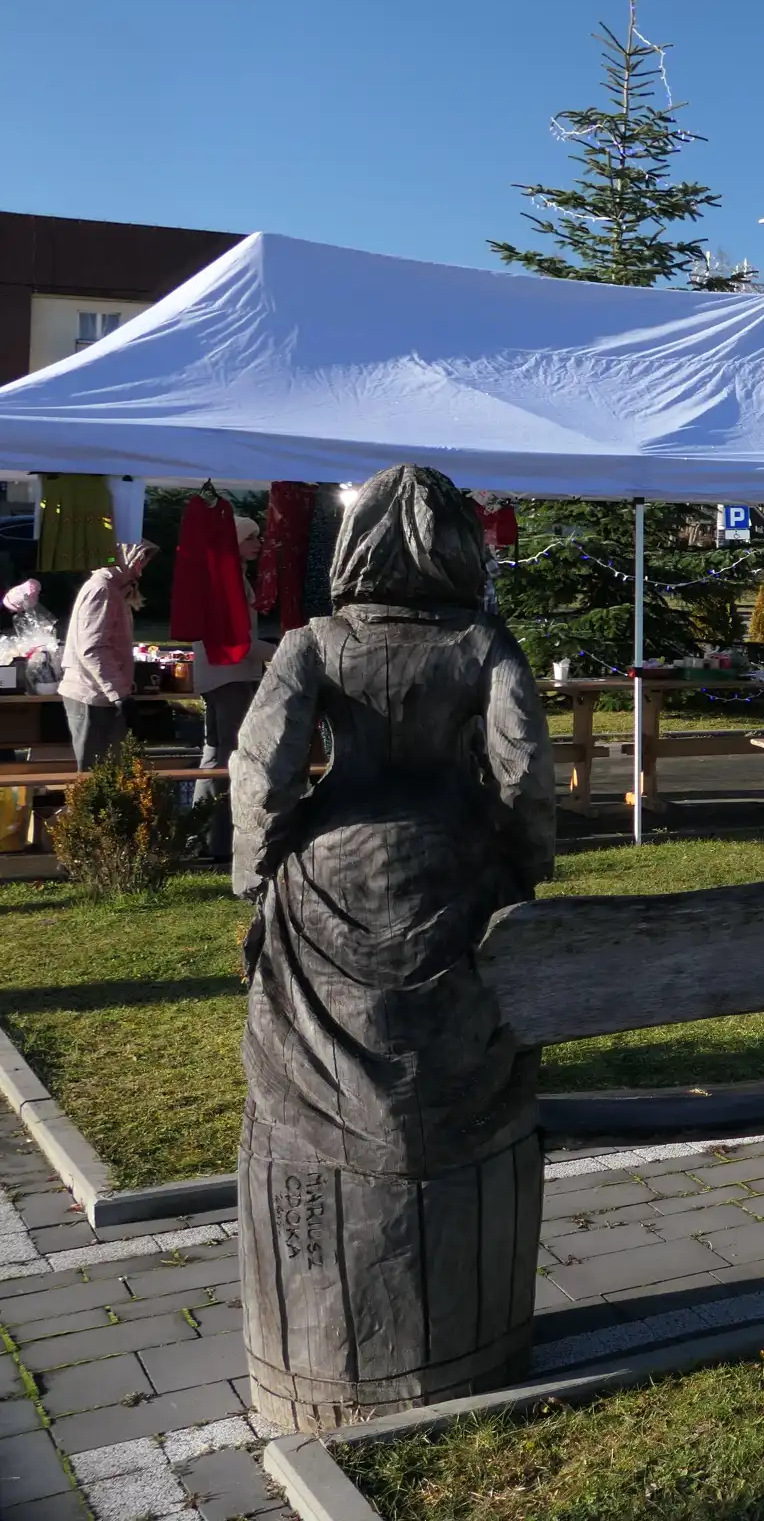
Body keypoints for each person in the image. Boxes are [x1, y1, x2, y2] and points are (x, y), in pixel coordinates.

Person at [229, 465, 553, 1427]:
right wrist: (522, 866)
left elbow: (261, 769)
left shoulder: (313, 643)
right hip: (454, 866)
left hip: (326, 878)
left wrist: (260, 871)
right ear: (457, 544)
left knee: (308, 1095)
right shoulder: (481, 643)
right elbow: (525, 766)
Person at [191, 516, 276, 861]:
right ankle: (220, 841)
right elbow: (238, 639)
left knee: (214, 757)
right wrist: (281, 652)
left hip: (222, 674)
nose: (259, 542)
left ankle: (202, 835)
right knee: (231, 758)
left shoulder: (228, 574)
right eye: (250, 537)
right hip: (228, 676)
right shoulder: (226, 578)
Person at [61, 541, 155, 769]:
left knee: (110, 774)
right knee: (95, 779)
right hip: (91, 695)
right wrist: (120, 695)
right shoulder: (102, 590)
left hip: (101, 694)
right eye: (140, 556)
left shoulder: (114, 589)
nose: (143, 563)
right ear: (123, 555)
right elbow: (93, 649)